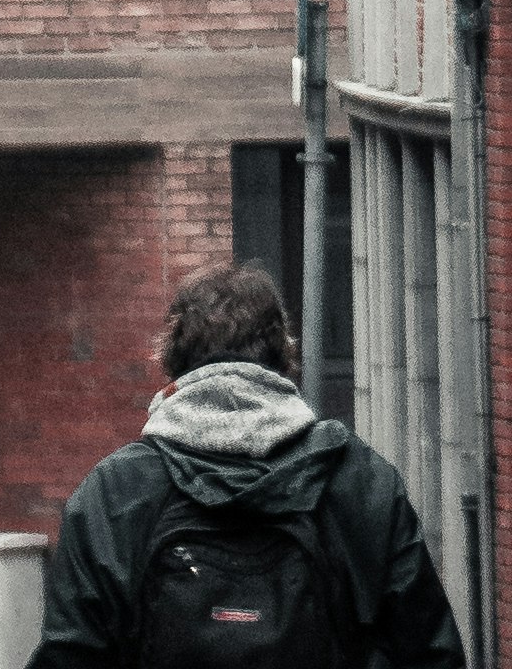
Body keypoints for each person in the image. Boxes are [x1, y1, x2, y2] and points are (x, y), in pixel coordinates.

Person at [36, 265, 464, 669]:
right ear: (284, 354)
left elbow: (71, 654)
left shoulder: (116, 492)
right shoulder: (358, 479)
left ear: (170, 358)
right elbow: (429, 651)